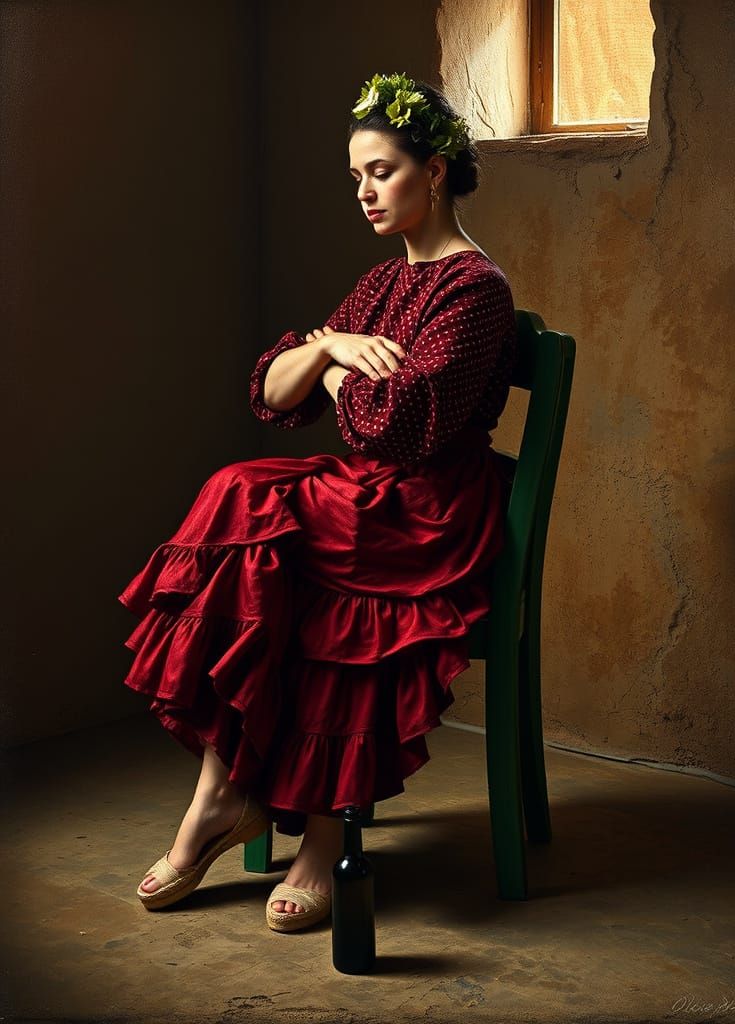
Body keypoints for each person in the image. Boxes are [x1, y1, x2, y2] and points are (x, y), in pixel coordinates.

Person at [119, 72, 518, 932]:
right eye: (356, 177)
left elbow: (392, 426)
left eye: (382, 171)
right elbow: (268, 387)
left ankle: (318, 835)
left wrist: (323, 363)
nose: (366, 192)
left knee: (312, 572)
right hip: (362, 495)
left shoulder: (475, 290)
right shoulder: (378, 285)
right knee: (243, 508)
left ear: (437, 169)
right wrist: (333, 344)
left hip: (428, 511)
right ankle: (224, 794)